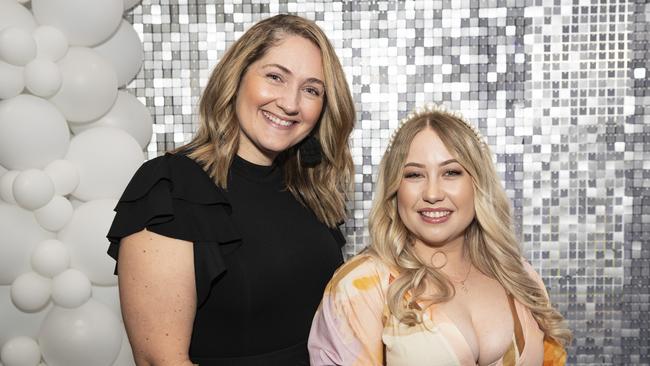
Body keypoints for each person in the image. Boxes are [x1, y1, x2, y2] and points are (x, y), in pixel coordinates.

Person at [106, 14, 355, 366]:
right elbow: (160, 360)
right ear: (237, 77)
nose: (290, 103)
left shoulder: (311, 193)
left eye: (311, 89)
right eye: (275, 77)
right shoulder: (171, 187)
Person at [308, 103, 572, 365]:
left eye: (451, 172)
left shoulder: (519, 276)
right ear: (395, 188)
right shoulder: (361, 285)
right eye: (414, 175)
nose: (432, 194)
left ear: (477, 183)